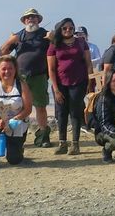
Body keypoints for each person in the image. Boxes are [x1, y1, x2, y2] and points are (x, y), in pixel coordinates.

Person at [0, 8, 52, 148]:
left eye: (34, 17)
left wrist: (53, 39)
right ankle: (15, 136)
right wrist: (10, 40)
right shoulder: (19, 36)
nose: (31, 20)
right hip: (20, 77)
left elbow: (56, 51)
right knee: (17, 107)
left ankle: (43, 136)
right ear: (24, 21)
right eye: (28, 18)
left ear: (38, 20)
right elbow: (2, 52)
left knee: (40, 106)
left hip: (39, 76)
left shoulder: (45, 35)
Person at [46, 18, 90, 155]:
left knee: (75, 112)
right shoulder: (54, 44)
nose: (68, 30)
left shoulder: (81, 43)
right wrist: (56, 88)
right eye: (65, 28)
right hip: (60, 83)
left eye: (71, 28)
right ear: (60, 29)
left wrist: (89, 81)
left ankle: (75, 144)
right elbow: (51, 69)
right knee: (61, 112)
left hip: (79, 82)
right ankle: (62, 143)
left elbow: (88, 63)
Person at [0, 56, 33, 169]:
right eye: (4, 69)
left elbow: (28, 109)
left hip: (17, 122)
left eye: (10, 68)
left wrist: (14, 120)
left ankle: (18, 149)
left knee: (14, 160)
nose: (7, 72)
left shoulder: (21, 85)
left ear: (15, 69)